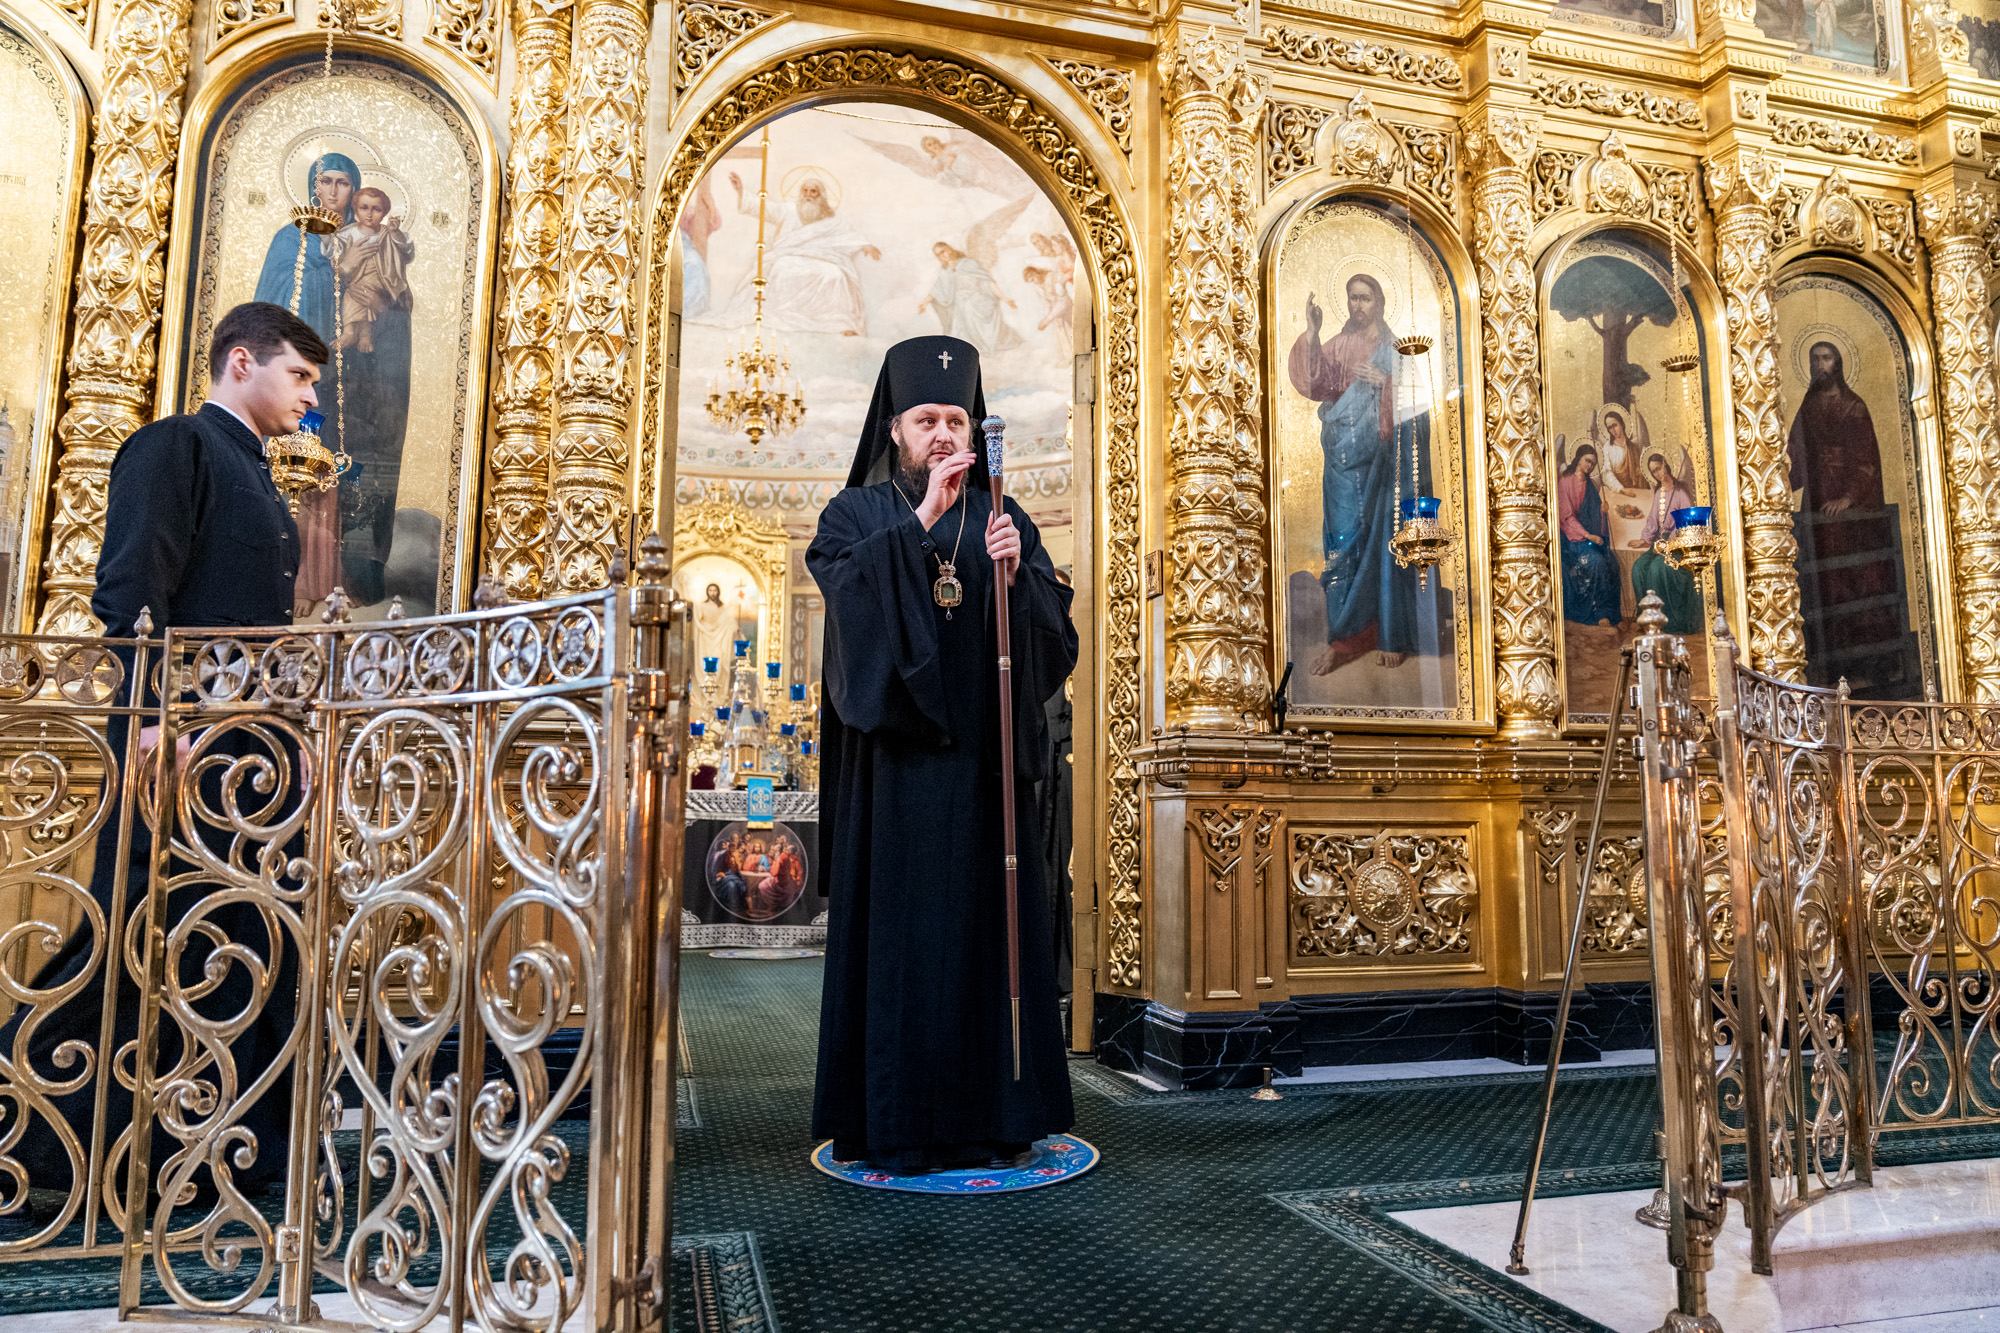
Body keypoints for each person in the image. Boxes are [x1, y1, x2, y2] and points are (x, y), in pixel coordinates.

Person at [0, 302, 324, 1208]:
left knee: (240, 938)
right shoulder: (175, 445)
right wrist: (153, 719)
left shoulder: (258, 471)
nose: (309, 397)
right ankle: (36, 1140)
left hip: (246, 747)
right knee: (142, 932)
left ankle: (211, 1149)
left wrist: (288, 734)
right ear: (241, 362)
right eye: (299, 375)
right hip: (175, 737)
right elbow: (131, 590)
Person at [808, 334, 1078, 1174]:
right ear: (894, 428)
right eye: (926, 419)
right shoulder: (854, 515)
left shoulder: (1004, 515)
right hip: (895, 782)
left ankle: (996, 1115)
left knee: (983, 944)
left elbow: (1054, 645)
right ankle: (894, 1120)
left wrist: (1019, 580)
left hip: (984, 777)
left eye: (955, 420)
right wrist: (921, 521)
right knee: (904, 948)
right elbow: (850, 618)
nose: (942, 434)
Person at [254, 152, 414, 607]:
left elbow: (393, 300)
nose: (332, 192)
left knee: (332, 475)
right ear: (312, 185)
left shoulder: (367, 238)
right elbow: (275, 303)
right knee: (294, 467)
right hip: (302, 380)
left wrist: (380, 303)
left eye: (343, 183)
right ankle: (285, 584)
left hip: (352, 381)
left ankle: (323, 582)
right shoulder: (293, 237)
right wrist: (337, 274)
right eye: (325, 181)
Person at [1288, 274, 1431, 675]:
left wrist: (1386, 382)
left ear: (1380, 303)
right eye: (1352, 298)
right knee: (1343, 544)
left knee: (1381, 539)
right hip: (1341, 459)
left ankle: (1384, 632)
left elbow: (1420, 407)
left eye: (1365, 298)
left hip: (1383, 464)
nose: (1358, 306)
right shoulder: (1340, 344)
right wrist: (1313, 333)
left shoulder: (1396, 351)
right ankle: (1343, 639)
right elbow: (1313, 382)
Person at [1786, 340, 1915, 694]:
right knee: (1825, 586)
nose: (1820, 365)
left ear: (1839, 363)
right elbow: (1796, 455)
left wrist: (1848, 497)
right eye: (1814, 359)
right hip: (1818, 506)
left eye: (1826, 358)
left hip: (1853, 515)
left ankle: (1870, 669)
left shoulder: (1854, 407)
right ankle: (1832, 669)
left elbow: (1867, 460)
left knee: (1856, 584)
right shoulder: (1809, 406)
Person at [727, 173, 881, 336]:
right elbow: (767, 209)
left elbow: (845, 235)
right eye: (805, 190)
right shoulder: (789, 210)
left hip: (823, 258)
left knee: (835, 274)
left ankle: (839, 322)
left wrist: (865, 244)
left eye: (813, 191)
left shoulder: (833, 218)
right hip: (789, 256)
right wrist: (741, 192)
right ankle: (782, 316)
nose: (808, 195)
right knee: (782, 269)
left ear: (821, 194)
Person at [332, 186, 413, 355]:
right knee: (353, 295)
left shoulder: (388, 233)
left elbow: (406, 249)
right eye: (364, 208)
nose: (369, 214)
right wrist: (344, 264)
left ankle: (356, 333)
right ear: (355, 210)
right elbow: (335, 257)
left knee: (366, 292)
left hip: (381, 277)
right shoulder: (346, 233)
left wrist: (395, 231)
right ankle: (357, 333)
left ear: (384, 213)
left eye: (376, 209)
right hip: (356, 277)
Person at [1628, 450, 1702, 633]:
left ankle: (1659, 620)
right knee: (1638, 567)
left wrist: (1669, 543)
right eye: (1654, 471)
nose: (1658, 473)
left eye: (1659, 468)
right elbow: (1653, 520)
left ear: (1666, 466)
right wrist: (1645, 539)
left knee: (1656, 568)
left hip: (1678, 545)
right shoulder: (1658, 493)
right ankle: (1644, 617)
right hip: (1659, 543)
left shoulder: (1681, 492)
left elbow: (1686, 523)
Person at [1558, 442, 1622, 627]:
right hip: (1571, 540)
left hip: (1589, 538)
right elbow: (1567, 517)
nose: (1590, 466)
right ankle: (1598, 612)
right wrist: (1587, 535)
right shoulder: (1565, 482)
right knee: (1596, 561)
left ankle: (1613, 614)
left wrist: (1602, 512)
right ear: (1578, 459)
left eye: (1593, 463)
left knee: (1612, 562)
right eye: (1587, 461)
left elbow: (1593, 515)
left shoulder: (1591, 484)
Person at [920, 243, 1022, 355]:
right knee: (960, 332)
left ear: (949, 248)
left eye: (943, 251)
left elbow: (987, 281)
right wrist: (924, 303)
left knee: (977, 317)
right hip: (961, 306)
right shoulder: (945, 271)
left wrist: (1005, 298)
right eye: (939, 254)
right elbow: (937, 290)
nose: (943, 255)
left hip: (977, 300)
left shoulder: (968, 263)